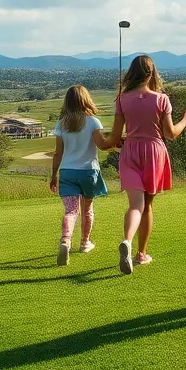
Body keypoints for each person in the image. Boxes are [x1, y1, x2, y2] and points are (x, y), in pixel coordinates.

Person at [104, 54, 186, 275]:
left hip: (130, 152)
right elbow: (171, 134)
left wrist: (98, 138)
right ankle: (141, 254)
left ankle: (127, 240)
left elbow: (114, 138)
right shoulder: (161, 99)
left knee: (135, 205)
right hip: (154, 152)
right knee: (148, 206)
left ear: (131, 73)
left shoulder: (122, 99)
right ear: (151, 73)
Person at [48, 84, 115, 266]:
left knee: (71, 211)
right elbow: (102, 145)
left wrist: (54, 175)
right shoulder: (93, 121)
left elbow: (58, 153)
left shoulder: (61, 124)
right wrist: (116, 141)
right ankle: (85, 242)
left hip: (67, 172)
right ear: (86, 99)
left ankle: (65, 241)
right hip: (88, 171)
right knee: (87, 210)